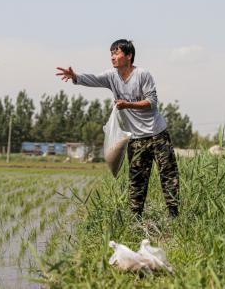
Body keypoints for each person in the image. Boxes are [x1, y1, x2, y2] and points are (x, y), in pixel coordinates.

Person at [56, 39, 179, 218]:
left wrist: (128, 104)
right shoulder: (112, 76)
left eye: (117, 53)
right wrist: (75, 76)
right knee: (137, 180)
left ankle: (174, 216)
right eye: (111, 53)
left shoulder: (143, 75)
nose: (113, 57)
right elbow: (93, 79)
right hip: (136, 139)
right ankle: (136, 219)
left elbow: (151, 103)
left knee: (168, 175)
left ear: (128, 56)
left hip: (157, 134)